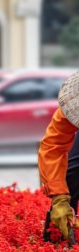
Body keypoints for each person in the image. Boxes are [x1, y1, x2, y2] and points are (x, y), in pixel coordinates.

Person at [38, 71, 79, 240]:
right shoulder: (73, 105)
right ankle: (58, 235)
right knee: (72, 172)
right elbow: (53, 147)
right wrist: (59, 197)